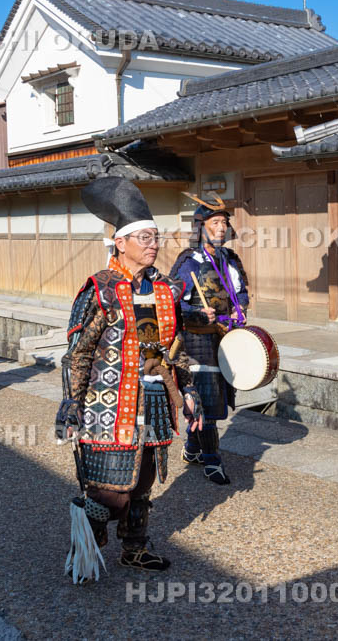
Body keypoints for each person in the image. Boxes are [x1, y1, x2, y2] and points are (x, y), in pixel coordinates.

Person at [56, 176, 201, 580]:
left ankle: (134, 549)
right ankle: (86, 545)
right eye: (144, 237)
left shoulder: (167, 289)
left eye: (156, 237)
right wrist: (70, 404)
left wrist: (188, 390)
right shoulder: (100, 290)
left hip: (154, 398)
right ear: (120, 243)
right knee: (110, 492)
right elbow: (79, 353)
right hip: (108, 405)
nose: (153, 244)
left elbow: (175, 349)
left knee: (142, 486)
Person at [170, 193, 249, 484]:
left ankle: (192, 448)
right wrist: (197, 313)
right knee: (205, 402)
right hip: (197, 341)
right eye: (215, 222)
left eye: (224, 222)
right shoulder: (188, 262)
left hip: (225, 337)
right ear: (201, 226)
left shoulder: (230, 259)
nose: (221, 227)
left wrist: (240, 309)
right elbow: (174, 304)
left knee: (218, 396)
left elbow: (241, 293)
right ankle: (212, 461)